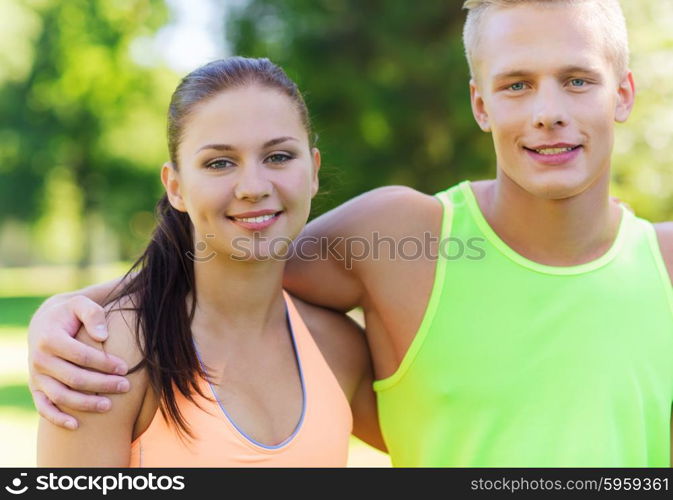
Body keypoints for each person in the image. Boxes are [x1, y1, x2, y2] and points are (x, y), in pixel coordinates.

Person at [29, 0, 673, 467]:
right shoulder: (398, 238)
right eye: (517, 85)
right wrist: (78, 309)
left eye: (578, 80)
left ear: (622, 93)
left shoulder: (664, 264)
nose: (549, 112)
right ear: (481, 104)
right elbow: (236, 261)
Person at [35, 57, 384, 467]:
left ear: (313, 172)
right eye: (219, 162)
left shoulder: (338, 348)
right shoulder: (109, 356)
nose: (253, 187)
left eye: (279, 157)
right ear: (176, 187)